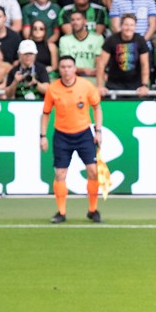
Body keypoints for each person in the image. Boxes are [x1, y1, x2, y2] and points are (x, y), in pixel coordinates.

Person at [39, 53, 101, 223]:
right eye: (63, 67)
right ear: (59, 69)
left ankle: (93, 209)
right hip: (62, 135)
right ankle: (61, 212)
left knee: (93, 171)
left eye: (69, 67)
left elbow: (97, 107)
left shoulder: (86, 86)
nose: (66, 70)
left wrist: (98, 130)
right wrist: (43, 135)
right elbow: (45, 114)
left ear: (74, 69)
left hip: (83, 134)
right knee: (60, 174)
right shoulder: (53, 89)